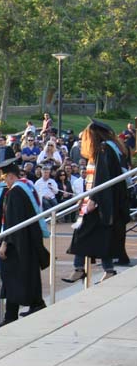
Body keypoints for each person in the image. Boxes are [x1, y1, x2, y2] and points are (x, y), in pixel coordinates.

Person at [64, 119, 130, 283]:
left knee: (82, 233)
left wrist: (92, 199)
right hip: (105, 201)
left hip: (100, 201)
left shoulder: (103, 150)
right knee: (101, 237)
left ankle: (79, 268)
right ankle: (108, 270)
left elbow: (102, 177)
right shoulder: (109, 149)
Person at [0, 158, 48, 327]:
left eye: (5, 179)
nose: (5, 183)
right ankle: (33, 305)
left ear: (10, 176)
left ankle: (14, 314)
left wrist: (4, 243)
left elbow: (12, 221)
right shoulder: (26, 187)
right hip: (25, 241)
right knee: (25, 276)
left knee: (13, 277)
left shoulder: (16, 192)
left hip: (17, 244)